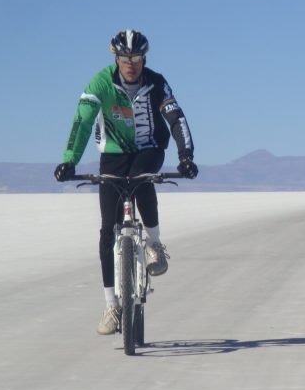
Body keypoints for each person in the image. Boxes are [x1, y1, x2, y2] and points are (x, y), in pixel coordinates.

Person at [54, 29, 198, 335]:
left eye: (135, 58)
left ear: (144, 58)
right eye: (123, 58)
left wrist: (185, 156)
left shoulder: (156, 82)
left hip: (149, 149)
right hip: (114, 154)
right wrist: (70, 160)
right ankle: (112, 307)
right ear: (116, 59)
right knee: (108, 229)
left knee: (141, 179)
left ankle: (155, 245)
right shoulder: (101, 83)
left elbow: (176, 118)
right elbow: (82, 122)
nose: (130, 64)